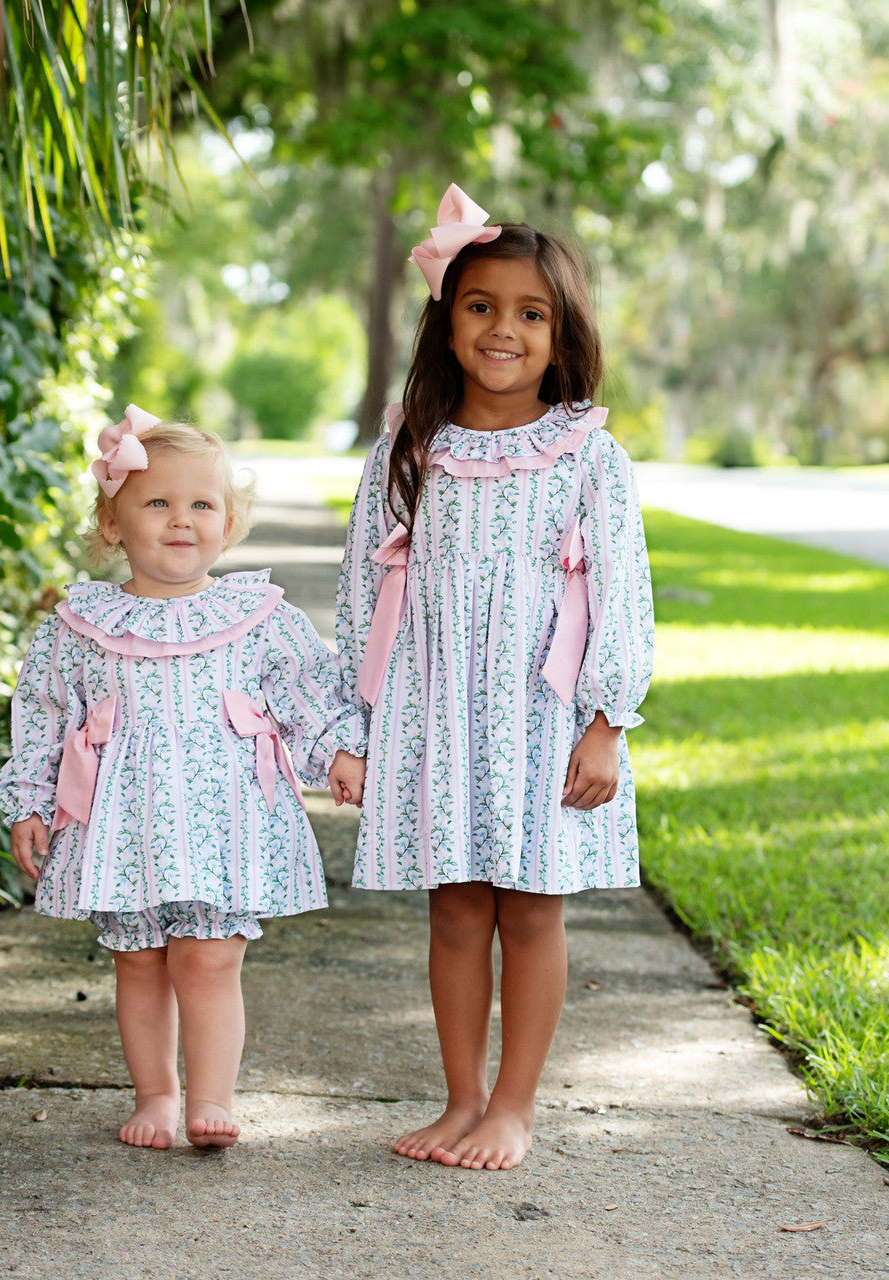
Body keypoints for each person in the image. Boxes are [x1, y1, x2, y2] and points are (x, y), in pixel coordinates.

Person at [336, 184, 653, 1171]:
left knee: (529, 904)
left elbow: (621, 591)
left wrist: (607, 717)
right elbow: (362, 584)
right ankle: (461, 1096)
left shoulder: (584, 456)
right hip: (435, 712)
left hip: (540, 718)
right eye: (480, 306)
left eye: (529, 312)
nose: (502, 328)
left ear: (561, 334)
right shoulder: (408, 447)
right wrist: (357, 720)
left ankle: (515, 1105)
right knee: (455, 905)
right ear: (446, 318)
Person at [0, 407, 366, 1152]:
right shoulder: (79, 625)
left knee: (210, 956)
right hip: (123, 826)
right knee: (139, 961)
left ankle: (212, 1099)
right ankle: (157, 1093)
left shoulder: (256, 616)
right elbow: (41, 716)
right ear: (112, 523)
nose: (181, 520)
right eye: (157, 502)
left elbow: (306, 693)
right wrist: (30, 803)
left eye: (202, 504)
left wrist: (340, 753)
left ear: (229, 522)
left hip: (223, 821)